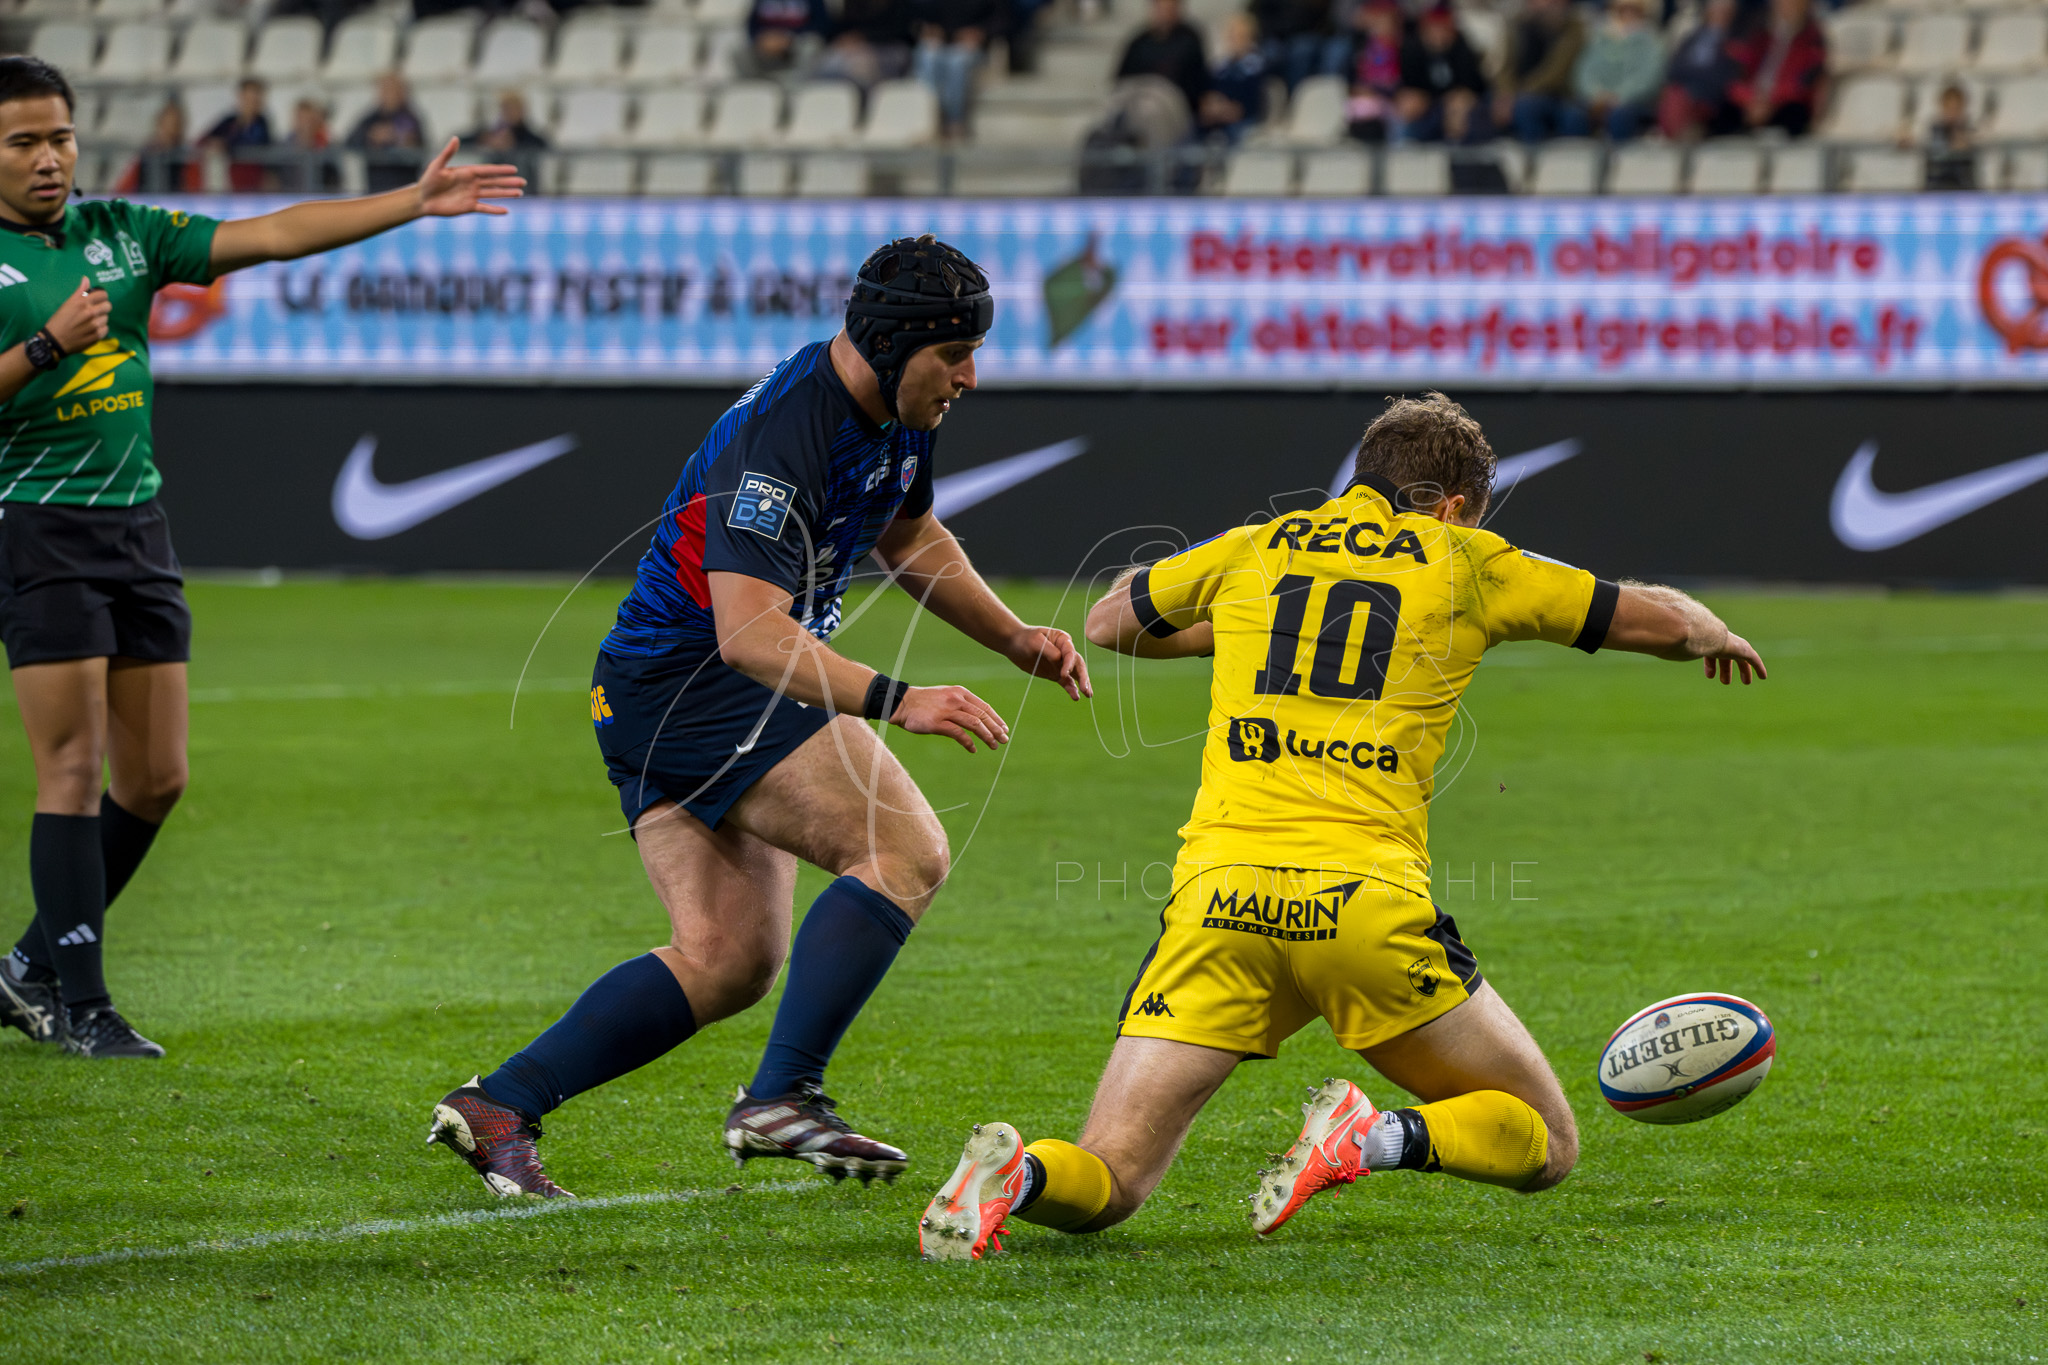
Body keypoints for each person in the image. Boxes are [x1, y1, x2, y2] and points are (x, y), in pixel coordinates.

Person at [915, 392, 1769, 1260]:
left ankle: (1015, 1175)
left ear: (1361, 478)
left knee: (1111, 1177)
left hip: (1219, 905)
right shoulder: (1467, 558)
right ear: (1454, 504)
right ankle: (1370, 1135)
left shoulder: (1259, 544)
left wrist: (1253, 630)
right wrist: (1718, 631)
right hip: (1361, 910)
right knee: (1546, 1143)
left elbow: (1108, 622)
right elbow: (1658, 621)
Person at [425, 236, 1090, 1200]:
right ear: (897, 344)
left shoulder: (897, 408)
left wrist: (1011, 637)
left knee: (729, 958)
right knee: (904, 851)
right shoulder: (789, 435)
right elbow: (746, 635)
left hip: (656, 690)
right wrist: (899, 699)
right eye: (956, 356)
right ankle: (784, 1094)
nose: (970, 378)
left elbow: (907, 530)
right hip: (700, 681)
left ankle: (502, 1104)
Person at [0, 55, 523, 1059]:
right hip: (38, 525)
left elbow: (273, 234)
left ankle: (27, 964)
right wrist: (45, 348)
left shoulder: (122, 235)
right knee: (70, 766)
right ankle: (80, 1000)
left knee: (155, 778)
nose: (49, 158)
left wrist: (412, 203)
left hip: (136, 527)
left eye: (59, 136)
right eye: (23, 141)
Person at [1726, 0, 1826, 138]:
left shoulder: (1812, 38)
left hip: (1786, 104)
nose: (1784, 7)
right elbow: (1738, 71)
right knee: (1723, 110)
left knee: (1794, 113)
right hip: (1753, 101)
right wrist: (1749, 99)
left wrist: (1771, 100)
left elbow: (1806, 80)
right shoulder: (1760, 36)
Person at [1568, 0, 1665, 140]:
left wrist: (1619, 97)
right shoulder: (1600, 39)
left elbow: (1649, 79)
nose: (1627, 14)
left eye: (1633, 10)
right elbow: (1584, 72)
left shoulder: (1652, 42)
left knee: (1620, 115)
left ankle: (1619, 159)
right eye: (1623, 9)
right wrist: (1596, 94)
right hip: (1596, 100)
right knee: (1573, 115)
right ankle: (1575, 158)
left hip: (1634, 102)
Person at [1493, 0, 1587, 143]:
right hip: (1519, 93)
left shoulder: (1572, 28)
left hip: (1558, 94)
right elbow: (1505, 67)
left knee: (1527, 107)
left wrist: (1519, 95)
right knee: (1485, 108)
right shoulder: (1518, 25)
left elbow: (1556, 73)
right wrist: (1506, 94)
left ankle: (1535, 157)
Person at [1396, 6, 1489, 145]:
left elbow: (1473, 85)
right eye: (1433, 29)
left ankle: (1458, 151)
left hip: (1457, 102)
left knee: (1460, 109)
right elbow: (1409, 84)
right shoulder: (1412, 49)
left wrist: (1457, 99)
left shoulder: (1463, 48)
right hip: (1427, 102)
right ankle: (1404, 149)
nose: (1438, 35)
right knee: (1407, 107)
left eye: (1442, 29)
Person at [1657, 0, 1741, 141]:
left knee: (1679, 97)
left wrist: (1694, 77)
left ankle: (1677, 145)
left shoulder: (1735, 40)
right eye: (1716, 10)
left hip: (1710, 94)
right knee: (1673, 94)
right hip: (1684, 89)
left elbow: (1728, 74)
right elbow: (1674, 68)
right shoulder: (1693, 37)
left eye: (1723, 11)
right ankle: (1678, 141)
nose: (1719, 14)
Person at [911, 0, 999, 136]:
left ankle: (954, 120)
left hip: (974, 47)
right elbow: (919, 17)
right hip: (943, 43)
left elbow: (1003, 21)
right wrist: (928, 30)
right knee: (926, 54)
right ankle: (931, 116)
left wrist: (980, 33)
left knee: (957, 61)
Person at [1116, 0, 1209, 123]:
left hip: (1175, 108)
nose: (1165, 13)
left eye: (1170, 8)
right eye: (1161, 8)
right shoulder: (1139, 41)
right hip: (1139, 100)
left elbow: (1199, 81)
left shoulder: (1190, 39)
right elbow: (1122, 79)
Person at [345, 72, 426, 192]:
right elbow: (349, 141)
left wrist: (397, 138)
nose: (386, 94)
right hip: (376, 189)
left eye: (391, 89)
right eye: (383, 89)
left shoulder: (411, 118)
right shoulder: (371, 118)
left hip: (404, 188)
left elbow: (418, 145)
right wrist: (370, 137)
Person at [1340, 0, 1405, 142]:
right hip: (1368, 98)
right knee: (1353, 107)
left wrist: (1378, 90)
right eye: (1377, 23)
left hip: (1390, 99)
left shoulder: (1402, 49)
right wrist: (1360, 89)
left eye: (1385, 23)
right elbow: (1360, 76)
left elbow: (1398, 80)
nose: (1380, 28)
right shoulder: (1367, 48)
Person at [814, 0, 915, 90]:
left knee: (860, 67)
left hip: (890, 47)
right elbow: (842, 27)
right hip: (855, 49)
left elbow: (902, 31)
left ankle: (864, 103)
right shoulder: (853, 3)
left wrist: (864, 38)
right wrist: (844, 39)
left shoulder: (898, 4)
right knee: (829, 62)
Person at [1200, 12, 1268, 143]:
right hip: (1217, 118)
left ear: (1250, 38)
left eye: (1240, 36)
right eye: (1231, 36)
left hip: (1244, 120)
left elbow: (1255, 103)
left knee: (1235, 135)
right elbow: (1209, 93)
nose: (1235, 40)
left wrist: (1230, 110)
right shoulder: (1220, 67)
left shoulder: (1256, 67)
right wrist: (1210, 107)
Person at [198, 77, 273, 192]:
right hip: (229, 184)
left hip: (253, 186)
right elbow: (203, 139)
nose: (251, 103)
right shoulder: (230, 120)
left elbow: (256, 143)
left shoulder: (261, 123)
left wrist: (226, 144)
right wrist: (214, 143)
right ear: (241, 97)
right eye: (248, 98)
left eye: (255, 98)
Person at [113, 99, 196, 195]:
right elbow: (122, 188)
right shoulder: (145, 154)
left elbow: (195, 194)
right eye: (167, 124)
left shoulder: (187, 158)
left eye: (175, 124)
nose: (170, 130)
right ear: (160, 124)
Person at [1253, 0, 1334, 90]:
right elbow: (1258, 11)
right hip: (1273, 36)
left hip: (1305, 35)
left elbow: (1321, 17)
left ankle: (1295, 94)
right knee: (1266, 52)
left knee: (1302, 50)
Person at [742, 0, 833, 78]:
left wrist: (789, 38)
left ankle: (800, 88)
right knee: (738, 50)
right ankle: (760, 86)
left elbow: (822, 25)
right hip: (768, 44)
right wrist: (763, 38)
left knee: (811, 44)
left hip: (797, 44)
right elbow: (752, 26)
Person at [1920, 82, 1974, 191]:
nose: (1952, 113)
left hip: (1964, 191)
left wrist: (1967, 144)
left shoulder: (1970, 131)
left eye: (1956, 108)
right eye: (1949, 108)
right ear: (1942, 107)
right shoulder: (1932, 130)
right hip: (1936, 190)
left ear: (1963, 108)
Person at [284, 96, 339, 192]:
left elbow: (334, 180)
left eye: (309, 120)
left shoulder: (327, 147)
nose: (306, 125)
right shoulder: (283, 147)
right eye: (301, 119)